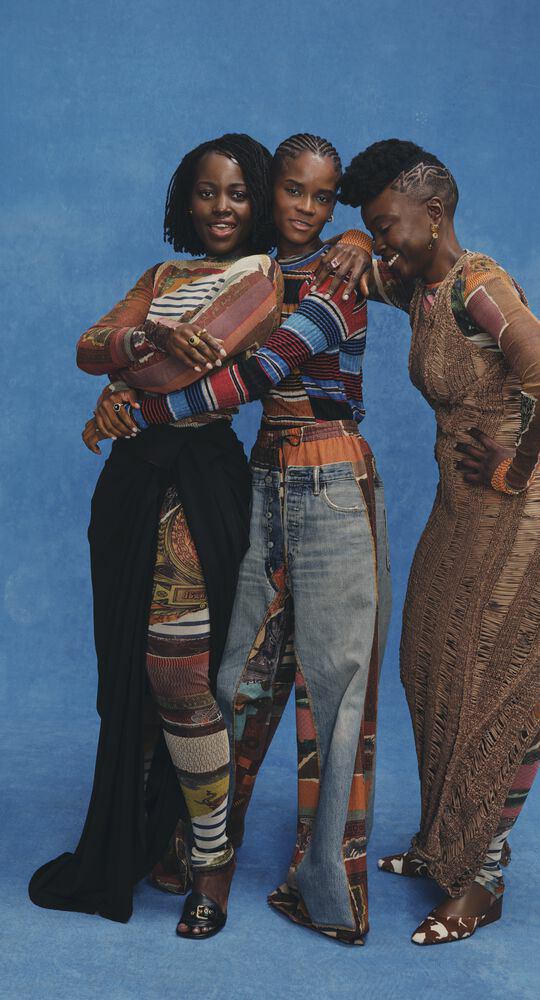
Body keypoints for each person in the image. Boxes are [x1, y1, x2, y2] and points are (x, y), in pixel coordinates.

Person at [114, 134, 391, 944]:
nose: (308, 207)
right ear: (271, 191)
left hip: (332, 479)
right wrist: (124, 386)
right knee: (234, 678)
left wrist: (140, 412)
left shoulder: (341, 275)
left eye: (325, 197)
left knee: (338, 690)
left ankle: (329, 893)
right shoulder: (253, 274)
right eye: (294, 190)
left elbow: (253, 374)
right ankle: (197, 851)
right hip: (265, 478)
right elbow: (172, 352)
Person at [314, 139, 540, 944]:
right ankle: (446, 842)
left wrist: (516, 465)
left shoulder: (479, 288)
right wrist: (356, 237)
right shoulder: (423, 286)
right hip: (461, 510)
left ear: (434, 214)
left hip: (522, 513)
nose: (383, 240)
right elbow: (368, 274)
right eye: (376, 226)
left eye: (389, 224)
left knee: (495, 687)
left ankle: (483, 876)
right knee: (430, 666)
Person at [28, 134, 284, 935]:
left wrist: (126, 383)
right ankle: (150, 836)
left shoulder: (262, 277)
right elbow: (88, 346)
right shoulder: (162, 277)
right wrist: (142, 344)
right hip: (132, 486)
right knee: (131, 679)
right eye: (207, 192)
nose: (221, 207)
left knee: (179, 677)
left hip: (199, 481)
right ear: (185, 200)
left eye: (238, 192)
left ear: (260, 200)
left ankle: (212, 861)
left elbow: (191, 374)